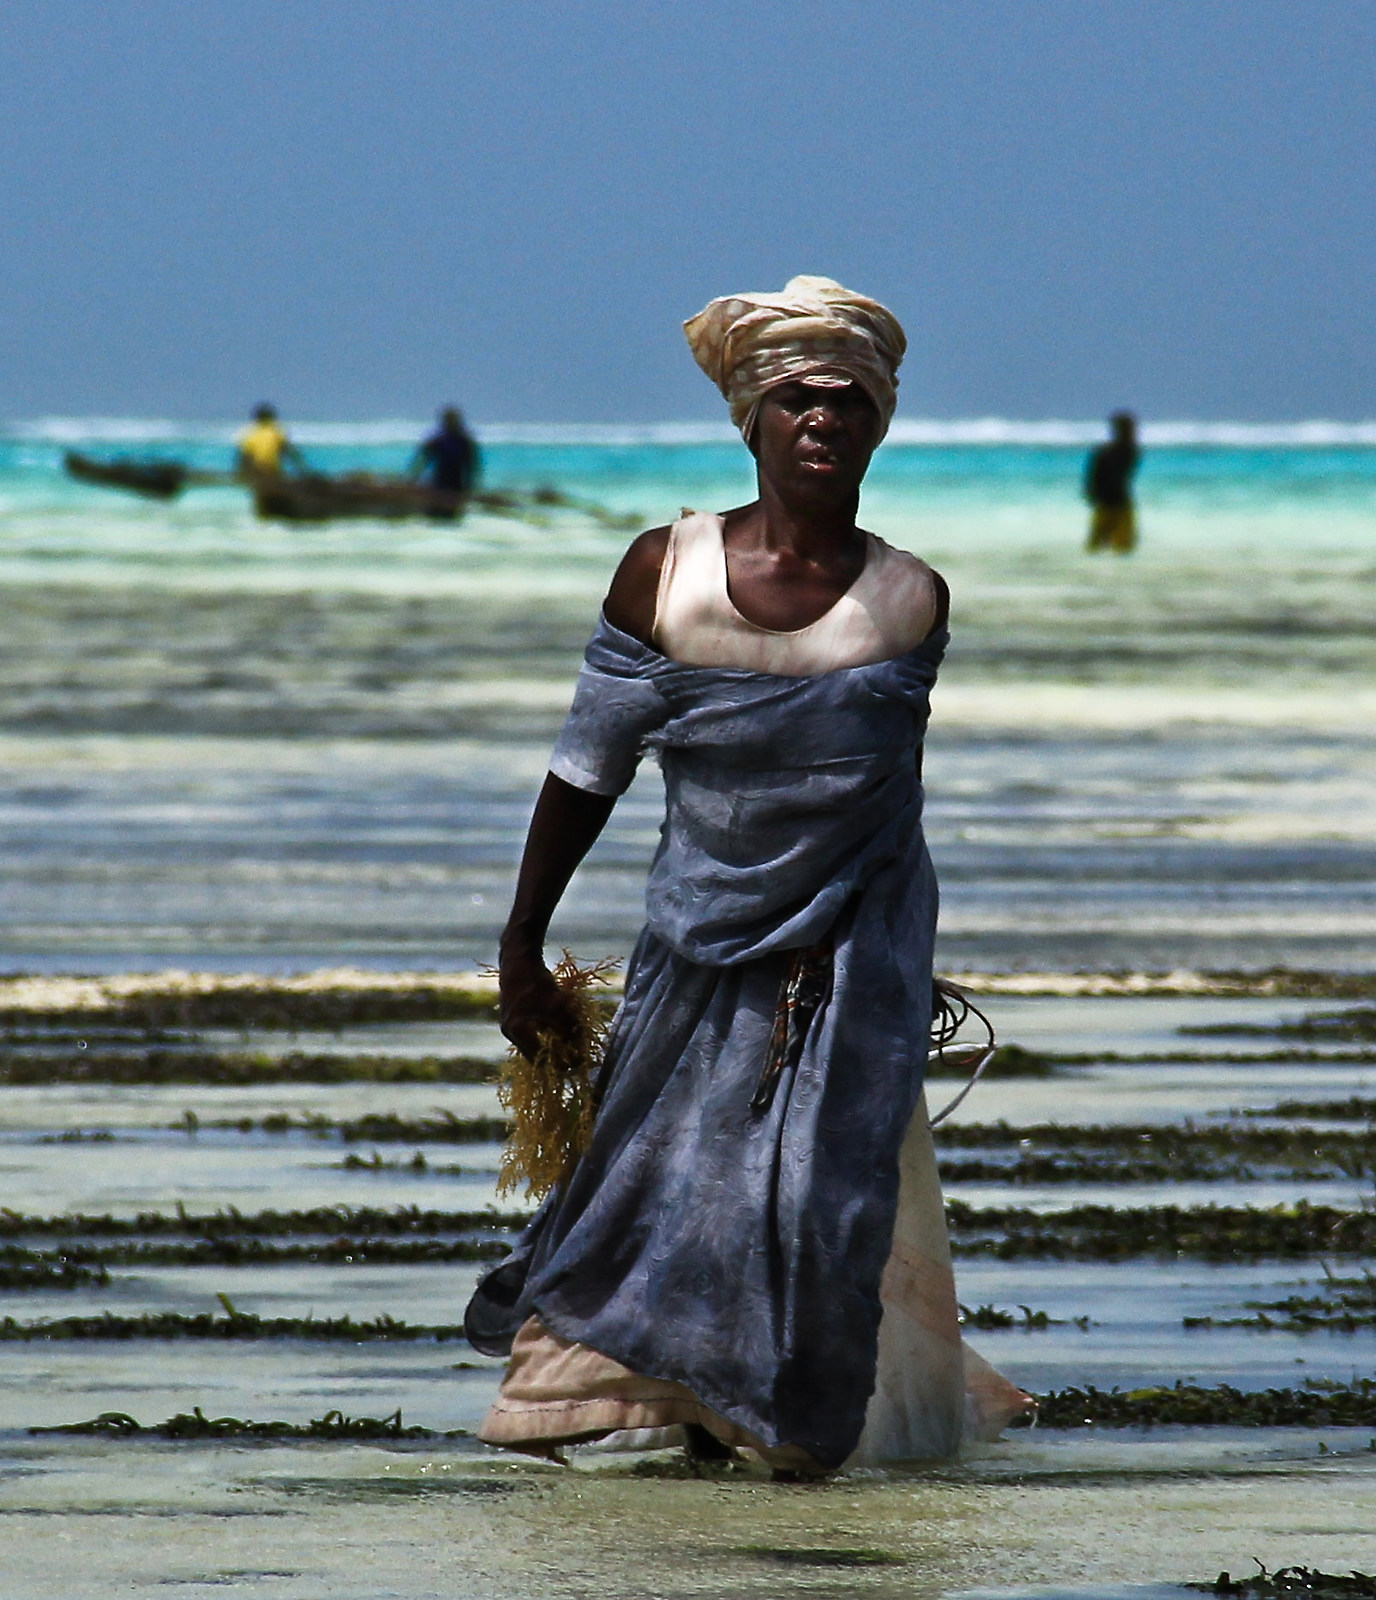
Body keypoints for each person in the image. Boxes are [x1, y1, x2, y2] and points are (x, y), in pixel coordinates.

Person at [466, 274, 1029, 1477]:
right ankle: (675, 1414)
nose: (823, 418)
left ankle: (779, 1430)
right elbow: (585, 769)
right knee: (651, 1195)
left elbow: (888, 803)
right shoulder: (661, 576)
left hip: (852, 964)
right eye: (797, 399)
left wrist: (902, 969)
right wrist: (521, 943)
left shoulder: (908, 601)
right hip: (693, 953)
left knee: (816, 1208)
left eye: (848, 400)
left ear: (878, 424)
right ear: (753, 420)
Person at [1084, 409, 1140, 553]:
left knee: (1109, 547)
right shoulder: (1124, 452)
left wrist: (1091, 492)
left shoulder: (1114, 452)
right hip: (1112, 502)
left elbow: (1094, 476)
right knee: (1102, 547)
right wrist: (1091, 492)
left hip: (1116, 502)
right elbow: (1096, 476)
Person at [410, 406, 482, 517]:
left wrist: (470, 488)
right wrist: (413, 479)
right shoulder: (440, 440)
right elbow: (422, 461)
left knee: (447, 515)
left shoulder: (463, 442)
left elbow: (472, 466)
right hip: (441, 484)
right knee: (439, 514)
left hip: (453, 485)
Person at [233, 403, 301, 485]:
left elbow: (243, 458)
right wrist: (301, 469)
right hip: (273, 472)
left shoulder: (249, 433)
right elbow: (291, 453)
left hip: (255, 472)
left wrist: (240, 474)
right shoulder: (278, 431)